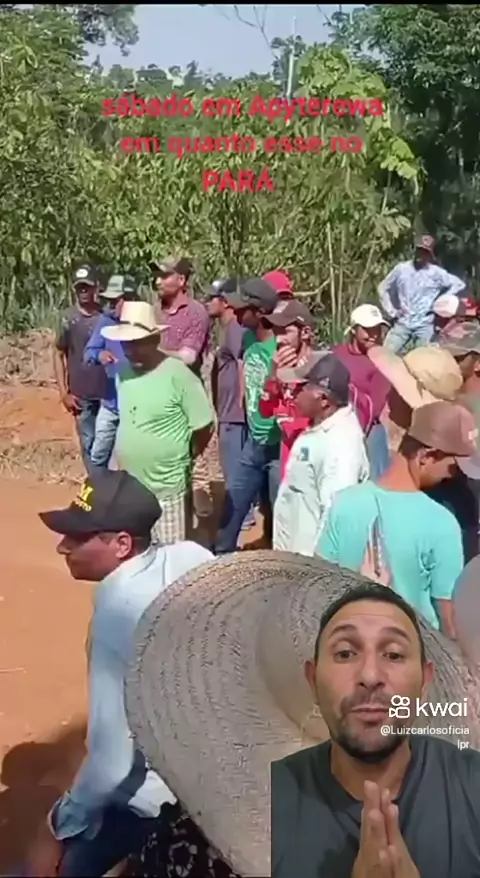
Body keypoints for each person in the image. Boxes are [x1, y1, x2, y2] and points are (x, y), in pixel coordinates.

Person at [27, 469, 213, 878]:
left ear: (122, 544)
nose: (63, 546)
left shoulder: (116, 615)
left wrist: (59, 826)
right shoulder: (191, 556)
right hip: (215, 786)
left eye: (78, 537)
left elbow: (112, 762)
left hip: (156, 803)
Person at [271, 583, 480, 878]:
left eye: (393, 655)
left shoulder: (472, 783)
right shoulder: (267, 796)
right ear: (313, 679)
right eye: (345, 653)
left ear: (424, 682)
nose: (370, 676)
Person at [317, 401, 476, 637]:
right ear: (426, 456)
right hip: (413, 648)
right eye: (452, 467)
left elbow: (320, 580)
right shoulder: (441, 523)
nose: (452, 476)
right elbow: (447, 613)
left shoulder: (344, 503)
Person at [102, 301, 214, 544]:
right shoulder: (123, 373)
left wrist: (186, 454)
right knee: (136, 552)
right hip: (130, 487)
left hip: (167, 489)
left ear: (154, 340)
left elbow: (204, 425)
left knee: (169, 554)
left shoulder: (179, 375)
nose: (130, 350)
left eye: (137, 343)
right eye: (126, 344)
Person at [273, 353, 369, 555]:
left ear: (324, 399)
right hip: (294, 558)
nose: (292, 394)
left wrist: (316, 569)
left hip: (311, 565)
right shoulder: (320, 427)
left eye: (301, 388)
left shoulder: (341, 446)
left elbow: (335, 517)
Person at [214, 278, 281, 553]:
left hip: (278, 445)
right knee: (233, 503)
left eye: (242, 308)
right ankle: (221, 558)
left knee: (279, 510)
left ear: (260, 312)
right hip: (254, 441)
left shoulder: (281, 346)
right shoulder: (248, 338)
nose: (236, 312)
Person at [207, 277, 255, 530]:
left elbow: (242, 362)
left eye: (211, 298)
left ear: (225, 302)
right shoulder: (227, 329)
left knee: (234, 467)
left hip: (234, 413)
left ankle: (242, 517)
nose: (207, 302)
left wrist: (240, 402)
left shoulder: (235, 329)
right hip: (230, 410)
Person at [53, 263, 106, 472]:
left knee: (108, 444)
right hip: (81, 397)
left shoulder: (106, 316)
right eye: (79, 287)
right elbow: (58, 353)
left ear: (96, 288)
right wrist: (63, 393)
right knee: (88, 444)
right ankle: (97, 485)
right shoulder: (68, 319)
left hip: (108, 395)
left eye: (87, 287)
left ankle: (106, 485)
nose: (83, 291)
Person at [83, 274, 139, 468]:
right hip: (110, 402)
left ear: (130, 299)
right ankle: (95, 485)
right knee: (98, 454)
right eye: (110, 301)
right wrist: (100, 355)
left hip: (135, 406)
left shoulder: (143, 323)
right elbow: (88, 352)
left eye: (116, 300)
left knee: (125, 459)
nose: (112, 305)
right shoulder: (106, 322)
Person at [258, 299, 317, 479]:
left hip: (313, 465)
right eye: (276, 332)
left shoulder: (320, 368)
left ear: (305, 333)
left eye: (285, 331)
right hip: (288, 463)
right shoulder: (279, 367)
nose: (278, 339)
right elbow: (265, 411)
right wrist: (273, 376)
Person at [379, 235, 465, 354]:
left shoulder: (436, 273)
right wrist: (392, 311)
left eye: (425, 252)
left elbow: (459, 284)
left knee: (422, 359)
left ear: (430, 255)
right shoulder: (401, 269)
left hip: (425, 324)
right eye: (419, 250)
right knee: (385, 354)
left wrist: (441, 300)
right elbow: (383, 287)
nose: (421, 254)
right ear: (415, 250)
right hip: (403, 322)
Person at [334, 304, 391, 479]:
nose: (374, 335)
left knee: (376, 478)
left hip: (368, 430)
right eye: (367, 330)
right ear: (354, 330)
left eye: (377, 329)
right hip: (337, 425)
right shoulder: (337, 354)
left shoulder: (382, 361)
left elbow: (376, 405)